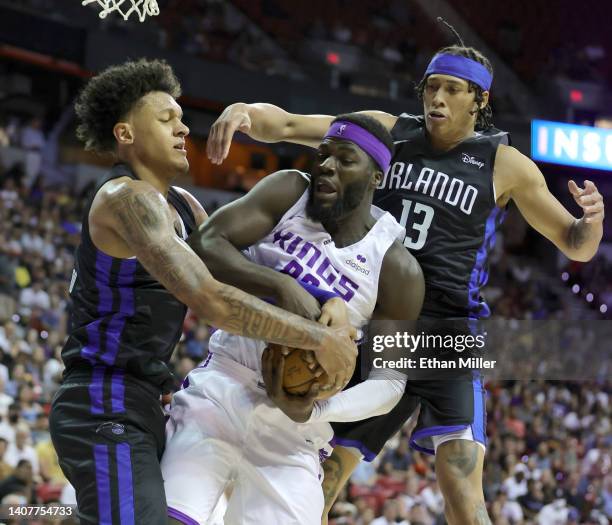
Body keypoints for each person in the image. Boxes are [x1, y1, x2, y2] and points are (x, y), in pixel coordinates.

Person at [205, 44, 605, 525]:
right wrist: (246, 112)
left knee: (460, 479)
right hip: (380, 317)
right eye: (431, 87)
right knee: (327, 470)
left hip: (445, 329)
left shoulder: (504, 163)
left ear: (478, 100)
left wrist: (593, 222)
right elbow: (291, 125)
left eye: (451, 90)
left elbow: (574, 243)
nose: (436, 98)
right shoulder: (389, 132)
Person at [48, 58, 356, 525]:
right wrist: (316, 338)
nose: (182, 128)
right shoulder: (123, 200)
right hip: (100, 398)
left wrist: (326, 303)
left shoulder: (187, 209)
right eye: (166, 118)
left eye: (182, 119)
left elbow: (253, 275)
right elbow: (212, 300)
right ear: (126, 134)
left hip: (147, 402)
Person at [162, 113, 424, 525]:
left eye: (344, 159)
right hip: (224, 387)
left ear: (376, 177)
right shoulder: (289, 191)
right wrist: (282, 287)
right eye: (322, 155)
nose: (326, 166)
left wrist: (316, 411)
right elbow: (206, 244)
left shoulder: (396, 267)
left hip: (295, 428)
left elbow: (390, 383)